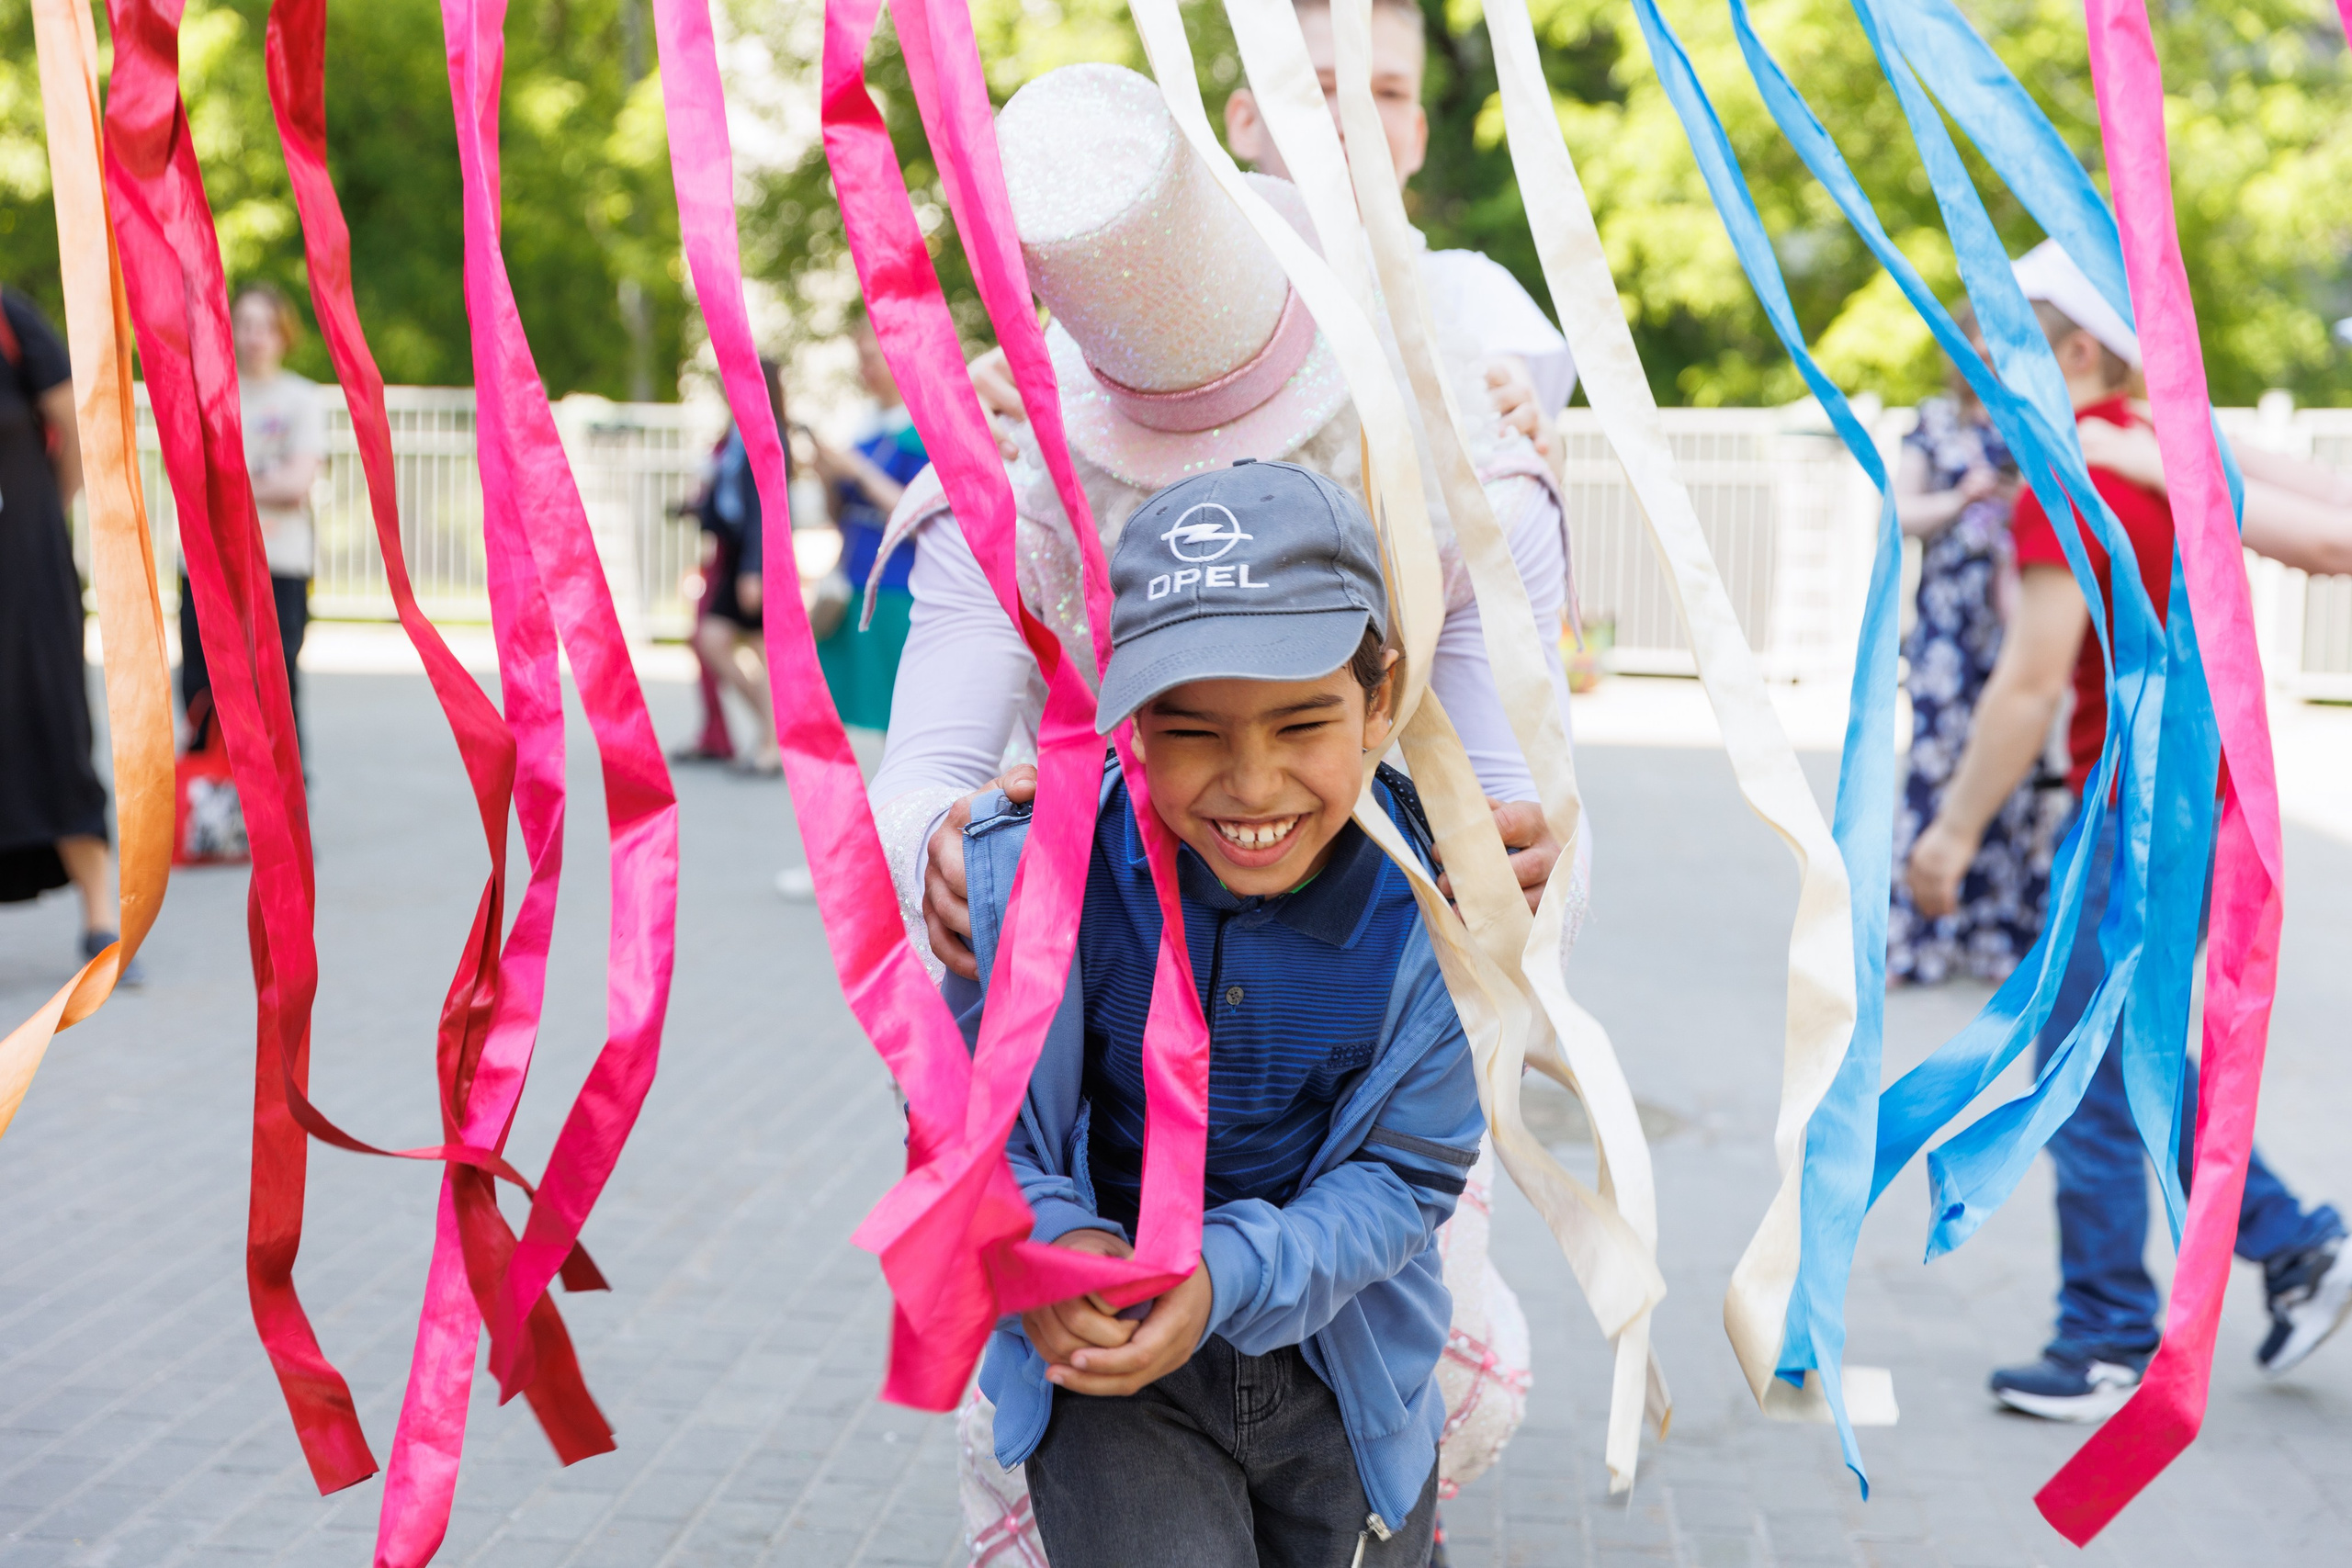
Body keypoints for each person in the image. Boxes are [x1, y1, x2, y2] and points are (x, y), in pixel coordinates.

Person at [959, 458, 1478, 1566]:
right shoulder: (1044, 877)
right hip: (1115, 1386)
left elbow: (1410, 1174)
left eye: (1301, 725)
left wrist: (1226, 1276)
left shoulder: (1435, 902)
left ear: (1379, 700)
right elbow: (970, 1128)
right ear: (1129, 716)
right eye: (1191, 729)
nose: (1251, 785)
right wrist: (1051, 1245)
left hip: (1348, 1375)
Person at [1905, 242, 2352, 1419]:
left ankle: (2106, 1330)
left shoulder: (2091, 469)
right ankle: (2291, 1239)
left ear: (2076, 352)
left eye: (2003, 353)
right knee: (2115, 1047)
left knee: (2090, 1058)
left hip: (2140, 803)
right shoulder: (2142, 447)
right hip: (2177, 795)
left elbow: (2028, 681)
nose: (1984, 385)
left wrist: (1949, 834)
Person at [1885, 313, 2066, 986]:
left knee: (2010, 775)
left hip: (2018, 623)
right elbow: (1896, 515)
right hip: (1945, 634)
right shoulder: (1933, 424)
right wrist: (1961, 500)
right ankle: (1916, 941)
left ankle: (1997, 938)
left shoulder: (2032, 425)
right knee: (1934, 771)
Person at [0, 285, 130, 974]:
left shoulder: (10, 318)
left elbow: (73, 419)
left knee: (53, 726)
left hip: (26, 574)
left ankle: (100, 923)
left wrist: (50, 509)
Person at [182, 283, 325, 750]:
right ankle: (209, 797)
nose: (255, 335)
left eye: (266, 325)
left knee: (275, 682)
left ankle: (285, 806)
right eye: (244, 324)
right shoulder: (208, 394)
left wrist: (233, 482)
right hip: (208, 560)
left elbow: (296, 482)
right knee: (203, 682)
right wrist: (264, 479)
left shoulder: (302, 399)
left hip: (278, 561)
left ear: (285, 332)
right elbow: (189, 474)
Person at [808, 317, 926, 734]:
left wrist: (856, 471)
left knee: (899, 711)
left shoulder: (921, 427)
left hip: (899, 584)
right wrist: (827, 474)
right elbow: (838, 514)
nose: (864, 370)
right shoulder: (866, 424)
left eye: (871, 358)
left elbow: (919, 514)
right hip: (856, 576)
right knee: (867, 708)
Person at [689, 359, 784, 776]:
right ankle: (772, 731)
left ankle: (774, 742)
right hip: (735, 555)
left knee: (761, 651)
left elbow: (767, 508)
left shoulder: (765, 434)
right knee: (712, 640)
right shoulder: (735, 434)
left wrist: (754, 568)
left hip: (755, 558)